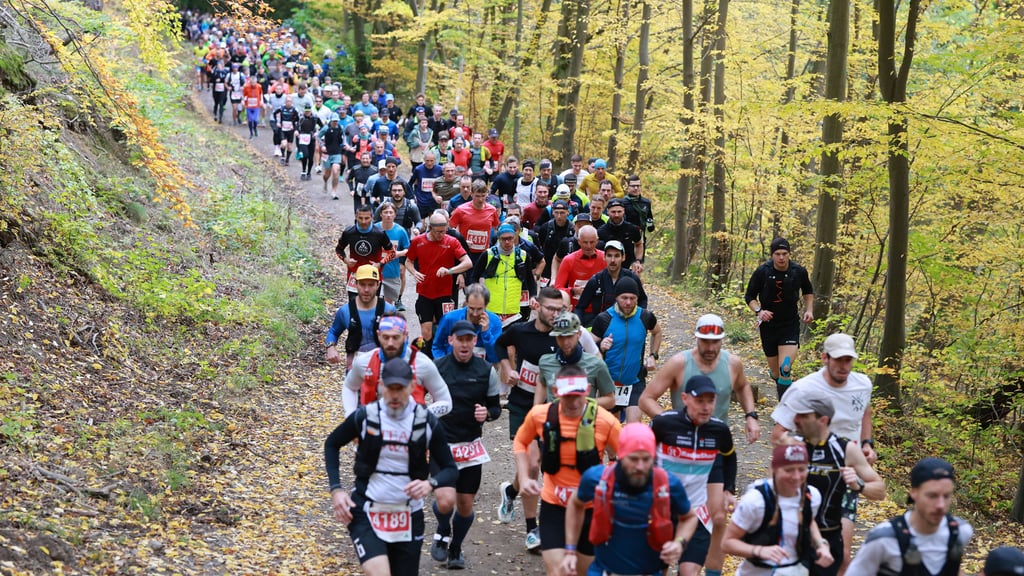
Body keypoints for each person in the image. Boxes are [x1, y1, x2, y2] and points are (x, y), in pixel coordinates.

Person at [324, 358, 458, 576]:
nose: (395, 395)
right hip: (367, 511)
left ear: (412, 387)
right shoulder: (366, 416)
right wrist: (336, 489)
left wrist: (430, 483)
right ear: (380, 386)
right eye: (390, 388)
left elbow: (450, 469)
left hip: (408, 515)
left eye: (401, 388)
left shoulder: (426, 422)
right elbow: (332, 443)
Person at [771, 332, 876, 574]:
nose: (844, 366)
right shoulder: (803, 389)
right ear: (824, 358)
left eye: (848, 360)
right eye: (838, 360)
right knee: (800, 550)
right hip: (807, 474)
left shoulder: (863, 384)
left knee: (842, 556)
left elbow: (865, 412)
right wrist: (806, 449)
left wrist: (866, 443)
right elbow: (778, 436)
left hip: (845, 473)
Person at [513, 365, 622, 575]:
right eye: (567, 396)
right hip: (555, 505)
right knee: (558, 571)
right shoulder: (540, 415)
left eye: (578, 395)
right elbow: (520, 441)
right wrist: (525, 477)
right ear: (555, 392)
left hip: (590, 507)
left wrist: (611, 480)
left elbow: (630, 457)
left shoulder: (605, 420)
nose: (573, 402)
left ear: (588, 390)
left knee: (584, 571)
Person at [563, 423, 698, 576]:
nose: (640, 466)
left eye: (646, 459)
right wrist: (570, 550)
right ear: (620, 455)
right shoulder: (597, 479)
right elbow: (575, 504)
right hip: (604, 572)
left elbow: (689, 517)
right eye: (633, 459)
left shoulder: (668, 484)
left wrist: (679, 543)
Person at [428, 320, 502, 569]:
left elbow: (495, 407)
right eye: (460, 339)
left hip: (470, 446)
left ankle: (456, 547)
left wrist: (488, 414)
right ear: (450, 341)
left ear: (474, 342)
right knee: (444, 500)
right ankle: (441, 531)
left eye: (469, 339)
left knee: (465, 504)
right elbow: (419, 397)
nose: (465, 344)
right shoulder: (437, 368)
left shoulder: (485, 371)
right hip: (442, 445)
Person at [790, 391, 886, 576]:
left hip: (829, 535)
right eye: (796, 414)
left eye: (803, 415)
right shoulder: (792, 445)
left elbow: (880, 490)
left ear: (823, 420)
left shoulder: (845, 449)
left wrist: (859, 485)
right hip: (792, 534)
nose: (795, 419)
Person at [651, 375, 738, 576]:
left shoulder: (719, 430)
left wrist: (728, 489)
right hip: (662, 510)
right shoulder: (664, 423)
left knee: (689, 571)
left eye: (711, 401)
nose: (706, 407)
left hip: (696, 512)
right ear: (685, 398)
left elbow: (730, 457)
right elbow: (641, 453)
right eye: (700, 401)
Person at [846, 457, 973, 575]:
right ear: (913, 493)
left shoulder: (960, 532)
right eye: (932, 496)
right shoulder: (884, 538)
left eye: (946, 496)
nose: (940, 505)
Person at [722, 443, 834, 576]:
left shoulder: (812, 497)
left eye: (802, 469)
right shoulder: (756, 501)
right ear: (775, 469)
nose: (796, 477)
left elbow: (808, 521)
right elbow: (727, 543)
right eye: (789, 470)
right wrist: (758, 551)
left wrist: (821, 544)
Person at [342, 314, 452, 417]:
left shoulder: (422, 364)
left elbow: (445, 401)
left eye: (396, 337)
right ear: (378, 335)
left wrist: (421, 418)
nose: (390, 343)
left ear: (405, 336)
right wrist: (351, 415)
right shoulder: (364, 362)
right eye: (386, 337)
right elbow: (349, 387)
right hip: (373, 432)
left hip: (411, 434)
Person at [744, 237, 815, 399]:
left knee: (785, 368)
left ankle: (785, 406)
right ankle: (779, 381)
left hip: (789, 324)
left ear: (789, 254)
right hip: (768, 326)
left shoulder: (799, 271)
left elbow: (808, 291)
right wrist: (759, 311)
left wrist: (809, 310)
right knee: (777, 372)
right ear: (772, 255)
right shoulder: (763, 271)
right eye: (777, 254)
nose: (781, 257)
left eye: (785, 253)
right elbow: (749, 296)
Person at [591, 277, 661, 423]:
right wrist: (601, 347)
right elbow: (588, 348)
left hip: (635, 380)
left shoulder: (645, 316)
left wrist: (653, 355)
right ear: (616, 297)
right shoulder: (604, 318)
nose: (628, 302)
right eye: (624, 298)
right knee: (612, 430)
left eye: (632, 298)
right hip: (609, 383)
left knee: (633, 428)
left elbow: (657, 332)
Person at [405, 211, 473, 357]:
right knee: (426, 331)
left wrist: (450, 271)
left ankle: (445, 358)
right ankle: (427, 358)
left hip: (445, 293)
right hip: (425, 292)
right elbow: (408, 261)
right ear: (430, 228)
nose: (441, 234)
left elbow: (468, 263)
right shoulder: (418, 242)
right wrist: (413, 272)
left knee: (446, 328)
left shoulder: (452, 241)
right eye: (438, 232)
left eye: (444, 231)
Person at [535, 311, 616, 410]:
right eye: (561, 337)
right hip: (556, 423)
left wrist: (582, 402)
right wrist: (537, 413)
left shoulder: (595, 364)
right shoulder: (545, 362)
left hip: (583, 422)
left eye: (569, 336)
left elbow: (610, 400)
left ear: (579, 334)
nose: (565, 342)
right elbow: (541, 385)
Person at [326, 265, 397, 368]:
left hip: (382, 369)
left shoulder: (389, 310)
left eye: (371, 285)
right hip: (354, 368)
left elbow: (400, 337)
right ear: (356, 284)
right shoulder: (345, 311)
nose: (366, 289)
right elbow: (334, 331)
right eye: (362, 284)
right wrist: (330, 347)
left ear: (378, 285)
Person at [472, 223, 536, 323]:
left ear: (515, 237)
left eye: (510, 238)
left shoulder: (523, 255)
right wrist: (477, 297)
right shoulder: (488, 254)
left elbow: (530, 279)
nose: (507, 242)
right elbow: (474, 277)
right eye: (503, 239)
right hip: (492, 309)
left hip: (514, 310)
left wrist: (533, 296)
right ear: (498, 238)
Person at [574, 240, 647, 327]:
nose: (612, 260)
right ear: (604, 257)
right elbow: (580, 307)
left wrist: (639, 320)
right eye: (609, 256)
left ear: (623, 257)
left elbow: (642, 300)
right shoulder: (596, 280)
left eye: (616, 256)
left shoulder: (632, 278)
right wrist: (579, 328)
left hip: (627, 325)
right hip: (601, 327)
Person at [431, 284, 502, 363]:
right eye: (471, 308)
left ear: (486, 305)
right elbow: (437, 346)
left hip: (481, 371)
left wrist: (486, 333)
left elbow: (495, 357)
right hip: (452, 369)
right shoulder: (450, 318)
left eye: (479, 309)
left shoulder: (494, 321)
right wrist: (445, 365)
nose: (475, 314)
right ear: (466, 302)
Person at [335, 204, 396, 291]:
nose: (363, 221)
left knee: (373, 304)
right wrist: (346, 260)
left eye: (367, 218)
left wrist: (380, 264)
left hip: (373, 274)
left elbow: (392, 252)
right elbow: (339, 249)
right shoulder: (348, 232)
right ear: (356, 216)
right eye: (360, 218)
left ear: (372, 217)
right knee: (354, 303)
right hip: (355, 273)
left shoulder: (379, 234)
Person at [554, 226, 606, 309]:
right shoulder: (569, 260)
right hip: (576, 308)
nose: (588, 246)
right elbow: (557, 289)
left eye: (592, 242)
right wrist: (573, 291)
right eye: (585, 242)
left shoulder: (605, 258)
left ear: (597, 241)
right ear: (579, 241)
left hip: (600, 309)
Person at [449, 180, 501, 264]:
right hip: (465, 253)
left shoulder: (492, 210)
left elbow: (497, 229)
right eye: (477, 196)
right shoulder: (461, 209)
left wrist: (495, 245)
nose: (480, 199)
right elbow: (449, 229)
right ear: (471, 194)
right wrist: (461, 241)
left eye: (483, 196)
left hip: (484, 254)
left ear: (487, 194)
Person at [376, 204, 410, 307]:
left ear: (395, 215)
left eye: (391, 212)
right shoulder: (374, 228)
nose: (388, 215)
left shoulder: (400, 231)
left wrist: (398, 254)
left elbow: (408, 249)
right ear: (381, 214)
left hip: (392, 272)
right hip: (375, 270)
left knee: (388, 305)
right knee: (375, 303)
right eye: (385, 212)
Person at [599, 198, 645, 274]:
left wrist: (638, 261)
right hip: (607, 270)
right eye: (613, 212)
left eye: (619, 211)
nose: (616, 215)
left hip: (628, 269)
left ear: (623, 211)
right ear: (607, 211)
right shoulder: (601, 231)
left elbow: (639, 244)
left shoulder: (632, 229)